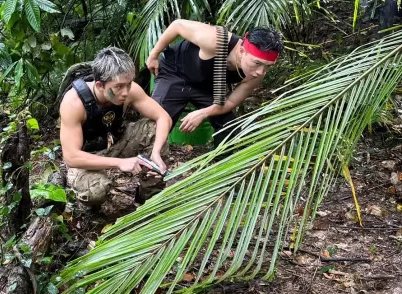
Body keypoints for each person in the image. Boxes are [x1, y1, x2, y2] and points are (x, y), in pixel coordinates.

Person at [60, 47, 172, 206]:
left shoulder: (130, 91)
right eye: (119, 86)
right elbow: (71, 157)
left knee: (152, 130)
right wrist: (120, 163)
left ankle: (148, 199)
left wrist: (155, 153)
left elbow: (163, 117)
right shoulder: (74, 103)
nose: (126, 92)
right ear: (99, 85)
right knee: (95, 191)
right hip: (88, 156)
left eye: (129, 84)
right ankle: (94, 211)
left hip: (116, 142)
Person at [146, 20, 283, 145]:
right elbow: (177, 26)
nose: (261, 71)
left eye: (268, 66)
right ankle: (146, 161)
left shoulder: (256, 74)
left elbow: (230, 103)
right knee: (157, 120)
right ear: (242, 51)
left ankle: (220, 165)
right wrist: (153, 55)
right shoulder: (214, 39)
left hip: (205, 84)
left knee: (228, 125)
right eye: (257, 63)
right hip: (175, 73)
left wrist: (203, 113)